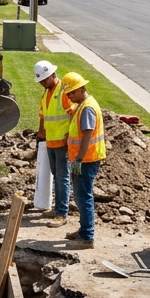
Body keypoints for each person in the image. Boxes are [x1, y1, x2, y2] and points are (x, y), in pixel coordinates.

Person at [61, 71, 106, 250]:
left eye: (72, 93)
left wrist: (78, 158)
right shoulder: (82, 104)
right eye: (68, 94)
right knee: (80, 197)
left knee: (84, 197)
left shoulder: (87, 108)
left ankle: (87, 237)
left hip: (86, 160)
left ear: (81, 89)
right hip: (83, 159)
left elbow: (87, 135)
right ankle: (83, 231)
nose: (70, 96)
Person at [34, 60, 73, 227]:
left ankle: (62, 213)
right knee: (57, 176)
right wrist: (41, 133)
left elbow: (73, 115)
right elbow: (43, 114)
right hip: (51, 141)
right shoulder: (47, 93)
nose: (42, 83)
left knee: (62, 178)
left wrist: (70, 137)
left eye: (44, 79)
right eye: (41, 81)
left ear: (52, 75)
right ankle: (57, 208)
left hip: (63, 142)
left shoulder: (63, 91)